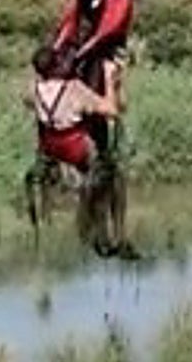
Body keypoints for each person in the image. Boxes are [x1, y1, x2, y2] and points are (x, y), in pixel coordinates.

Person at [22, 44, 124, 255]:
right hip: (75, 147)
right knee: (113, 174)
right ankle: (114, 231)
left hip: (50, 146)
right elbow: (112, 111)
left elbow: (29, 103)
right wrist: (110, 80)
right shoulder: (74, 89)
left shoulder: (34, 89)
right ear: (59, 65)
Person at [50, 0, 135, 159]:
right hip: (85, 46)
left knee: (102, 98)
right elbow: (71, 20)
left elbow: (108, 29)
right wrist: (56, 47)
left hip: (109, 49)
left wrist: (83, 51)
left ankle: (106, 151)